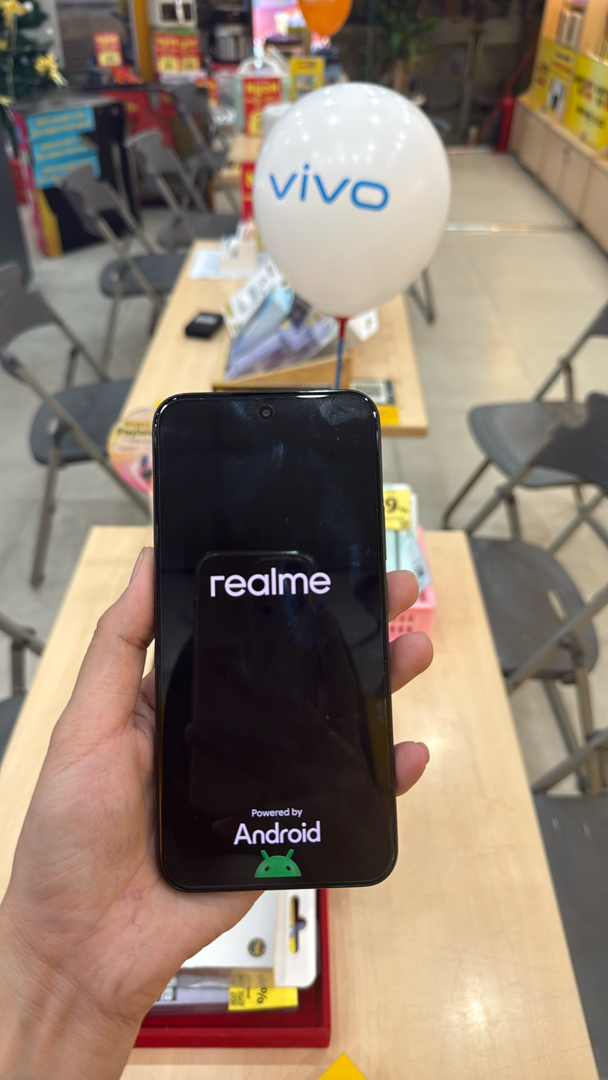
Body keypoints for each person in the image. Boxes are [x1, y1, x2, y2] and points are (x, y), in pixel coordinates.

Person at [0, 548, 433, 1079]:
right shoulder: (194, 667)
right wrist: (55, 968)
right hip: (200, 836)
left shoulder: (216, 661)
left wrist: (55, 979)